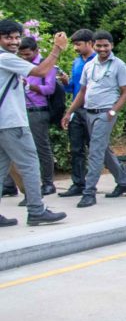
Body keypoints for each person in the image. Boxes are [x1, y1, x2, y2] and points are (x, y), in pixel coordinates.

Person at [0, 20, 67, 227]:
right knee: (30, 165)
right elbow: (40, 72)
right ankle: (36, 210)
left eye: (16, 37)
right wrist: (57, 49)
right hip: (12, 123)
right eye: (8, 37)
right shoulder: (5, 58)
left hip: (3, 123)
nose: (14, 41)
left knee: (1, 168)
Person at [60, 30, 126, 208]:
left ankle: (89, 192)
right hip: (88, 112)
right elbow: (82, 92)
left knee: (95, 151)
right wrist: (69, 112)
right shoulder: (89, 65)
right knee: (102, 149)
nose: (102, 49)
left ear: (112, 46)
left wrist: (113, 111)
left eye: (106, 46)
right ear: (94, 45)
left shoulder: (118, 65)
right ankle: (124, 181)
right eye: (99, 45)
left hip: (105, 113)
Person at [16, 37, 58, 195]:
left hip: (38, 110)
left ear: (36, 50)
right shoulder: (20, 64)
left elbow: (49, 89)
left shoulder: (46, 66)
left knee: (42, 148)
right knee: (22, 149)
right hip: (21, 110)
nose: (25, 57)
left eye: (27, 54)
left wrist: (30, 85)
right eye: (22, 55)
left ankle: (48, 183)